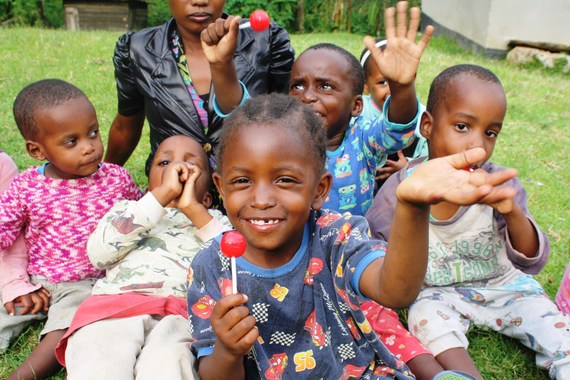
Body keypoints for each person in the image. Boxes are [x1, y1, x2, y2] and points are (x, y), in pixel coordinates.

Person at [186, 93, 518, 379]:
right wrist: (227, 351)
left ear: (320, 190)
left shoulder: (336, 237)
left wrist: (412, 206)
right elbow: (214, 374)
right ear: (220, 187)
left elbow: (397, 290)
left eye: (285, 180)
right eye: (242, 181)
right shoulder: (211, 267)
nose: (260, 199)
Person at [365, 64, 570, 379]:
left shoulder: (498, 185)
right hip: (438, 292)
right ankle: (465, 375)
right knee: (425, 315)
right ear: (428, 125)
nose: (478, 146)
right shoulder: (402, 192)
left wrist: (513, 212)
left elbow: (531, 261)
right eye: (462, 126)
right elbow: (378, 254)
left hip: (504, 286)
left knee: (551, 323)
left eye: (490, 133)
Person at [54, 134, 232, 379]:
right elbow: (99, 254)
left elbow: (233, 264)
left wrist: (194, 209)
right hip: (112, 310)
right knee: (98, 362)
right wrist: (158, 199)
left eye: (192, 165)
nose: (179, 169)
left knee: (168, 365)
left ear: (208, 197)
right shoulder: (127, 211)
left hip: (179, 316)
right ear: (148, 189)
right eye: (164, 163)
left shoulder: (215, 221)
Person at [0, 79, 142, 380]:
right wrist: (16, 285)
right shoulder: (26, 186)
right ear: (37, 150)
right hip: (36, 280)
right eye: (72, 141)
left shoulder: (116, 179)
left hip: (86, 285)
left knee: (66, 328)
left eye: (93, 133)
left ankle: (21, 376)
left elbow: (140, 217)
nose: (89, 147)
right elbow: (4, 230)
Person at [104, 0, 295, 175]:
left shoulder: (267, 41)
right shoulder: (137, 50)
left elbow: (291, 120)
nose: (199, 2)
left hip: (248, 190)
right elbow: (125, 127)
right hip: (172, 196)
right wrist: (101, 179)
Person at [288, 1, 432, 216]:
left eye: (325, 86)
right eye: (298, 85)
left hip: (351, 245)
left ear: (356, 106)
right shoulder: (281, 136)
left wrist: (401, 87)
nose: (307, 96)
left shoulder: (363, 138)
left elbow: (398, 131)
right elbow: (238, 115)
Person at [356, 37, 429, 191]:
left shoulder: (420, 115)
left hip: (401, 189)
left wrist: (407, 166)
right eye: (383, 82)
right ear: (366, 86)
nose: (393, 88)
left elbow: (430, 158)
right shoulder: (358, 110)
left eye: (398, 80)